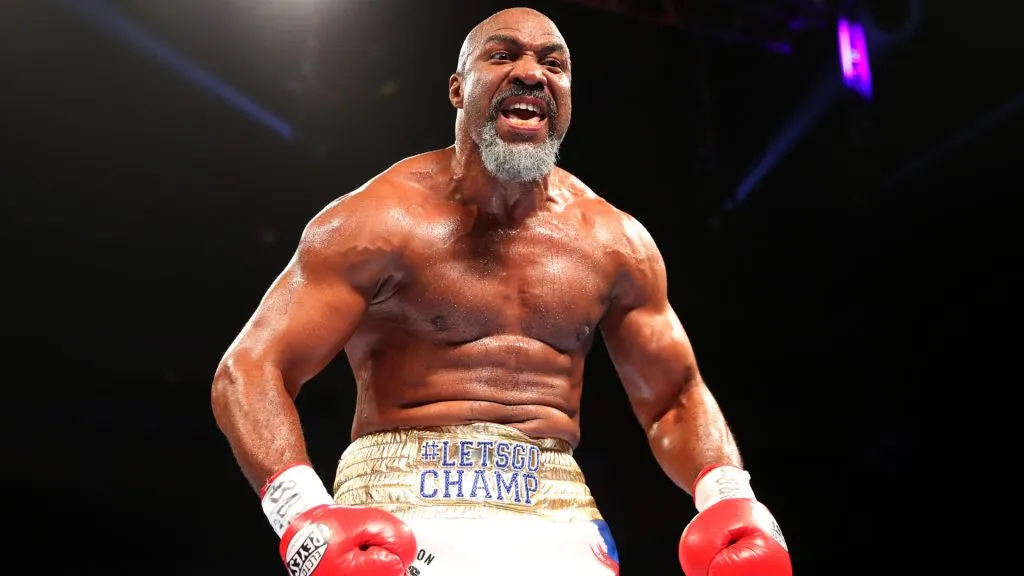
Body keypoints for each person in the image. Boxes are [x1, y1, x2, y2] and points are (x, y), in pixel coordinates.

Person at [211, 7, 791, 576]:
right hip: (404, 501)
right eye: (503, 55)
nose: (531, 73)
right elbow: (249, 370)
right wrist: (304, 516)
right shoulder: (377, 221)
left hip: (558, 512)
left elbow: (674, 395)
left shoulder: (614, 241)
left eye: (553, 64)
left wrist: (729, 496)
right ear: (457, 90)